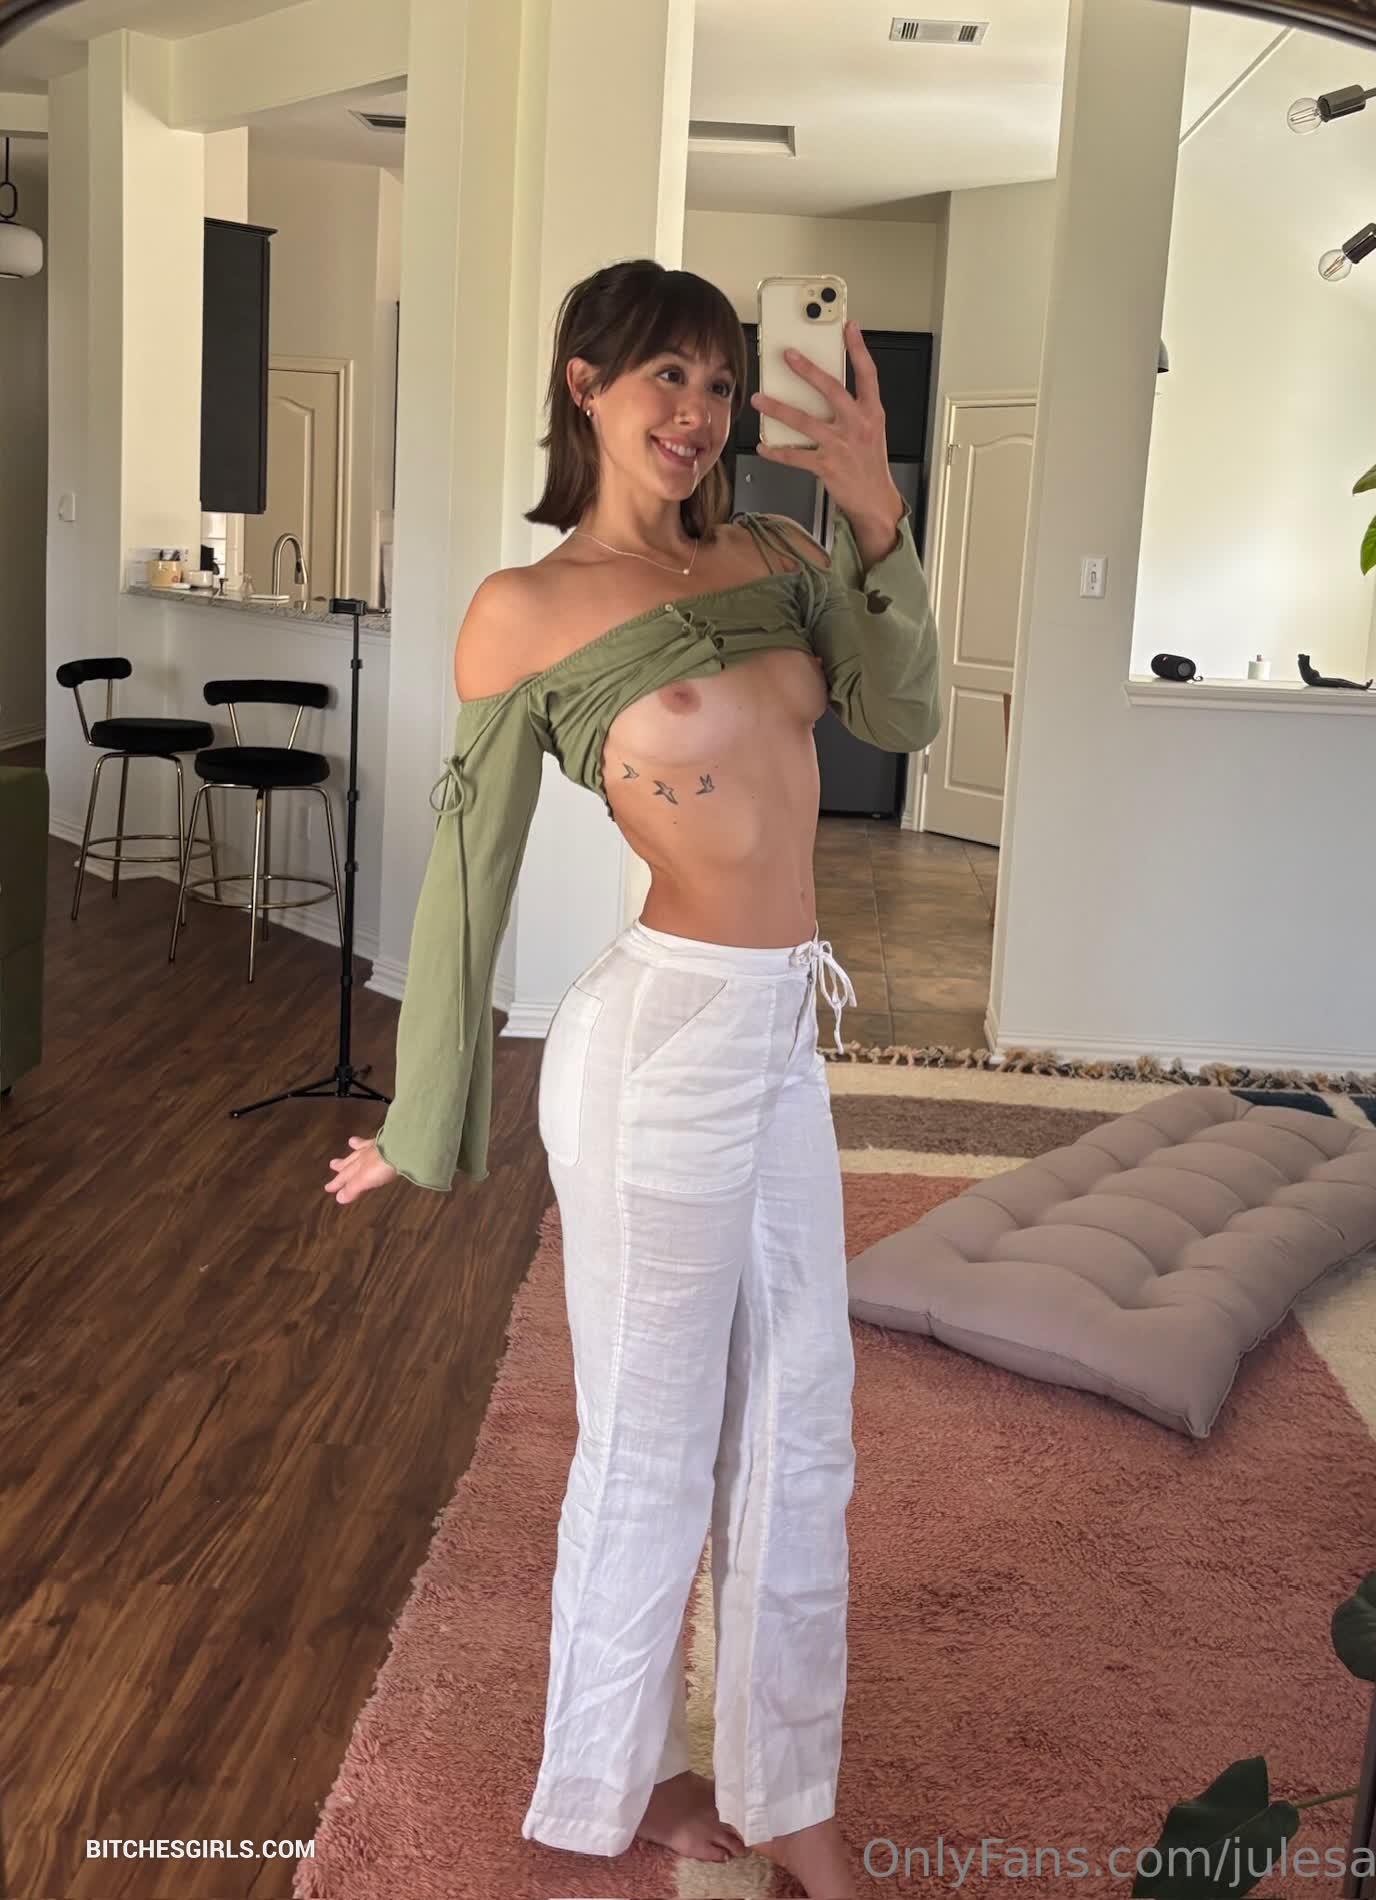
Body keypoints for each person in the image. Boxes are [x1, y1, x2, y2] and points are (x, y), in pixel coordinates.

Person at [323, 259, 942, 1900]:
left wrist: (875, 510)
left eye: (722, 382)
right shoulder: (524, 611)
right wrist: (420, 1120)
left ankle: (787, 1789)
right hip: (653, 1049)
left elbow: (899, 712)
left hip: (778, 1038)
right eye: (665, 374)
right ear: (584, 384)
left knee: (801, 1423)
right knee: (651, 1441)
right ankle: (619, 1776)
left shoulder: (783, 557)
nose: (698, 412)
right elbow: (466, 876)